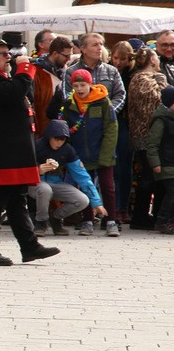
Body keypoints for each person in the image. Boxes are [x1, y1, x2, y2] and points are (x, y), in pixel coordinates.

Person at [0, 36, 59, 266]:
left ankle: (29, 246)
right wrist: (25, 67)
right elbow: (14, 91)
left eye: (10, 53)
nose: (9, 57)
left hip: (10, 151)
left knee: (17, 200)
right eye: (4, 54)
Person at [59, 69, 118, 235]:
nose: (79, 89)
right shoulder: (69, 104)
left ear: (90, 84)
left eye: (83, 85)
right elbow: (65, 129)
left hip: (101, 153)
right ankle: (87, 220)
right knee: (85, 187)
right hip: (81, 154)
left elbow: (111, 129)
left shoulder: (103, 102)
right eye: (76, 85)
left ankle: (110, 220)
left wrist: (106, 154)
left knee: (107, 187)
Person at [31, 119, 104, 236]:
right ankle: (41, 222)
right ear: (49, 136)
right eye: (56, 139)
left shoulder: (67, 150)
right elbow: (22, 168)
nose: (59, 143)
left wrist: (96, 202)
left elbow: (82, 176)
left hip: (56, 184)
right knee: (45, 189)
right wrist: (38, 170)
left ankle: (55, 218)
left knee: (82, 200)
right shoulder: (37, 146)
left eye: (62, 139)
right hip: (35, 184)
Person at [127, 47, 168, 229]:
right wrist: (162, 83)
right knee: (149, 177)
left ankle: (152, 214)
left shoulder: (142, 78)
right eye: (157, 57)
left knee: (154, 177)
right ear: (152, 60)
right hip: (146, 136)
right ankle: (141, 216)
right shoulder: (142, 79)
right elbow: (159, 101)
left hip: (148, 134)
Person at [63, 33, 125, 114]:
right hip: (81, 122)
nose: (100, 48)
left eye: (101, 44)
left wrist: (108, 113)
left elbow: (120, 95)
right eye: (95, 45)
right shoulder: (71, 71)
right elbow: (67, 96)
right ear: (83, 49)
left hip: (106, 122)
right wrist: (85, 114)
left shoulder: (111, 71)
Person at [109, 40, 135, 222]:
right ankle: (115, 208)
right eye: (115, 58)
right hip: (113, 120)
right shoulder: (109, 72)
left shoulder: (133, 74)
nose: (118, 62)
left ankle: (123, 207)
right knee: (114, 168)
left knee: (125, 167)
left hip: (126, 122)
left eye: (122, 59)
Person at [146, 87, 174, 234]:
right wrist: (155, 163)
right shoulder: (161, 120)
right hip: (165, 165)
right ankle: (162, 220)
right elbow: (152, 144)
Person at [32, 36, 73, 136]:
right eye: (66, 56)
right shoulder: (37, 72)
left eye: (70, 56)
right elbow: (34, 105)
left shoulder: (67, 72)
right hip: (43, 130)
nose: (69, 59)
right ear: (55, 54)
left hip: (64, 129)